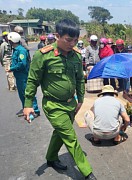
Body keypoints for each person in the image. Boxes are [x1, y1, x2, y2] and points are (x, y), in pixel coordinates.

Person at [22, 19, 96, 180]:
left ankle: (51, 158)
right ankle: (87, 173)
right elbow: (32, 80)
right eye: (68, 40)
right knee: (70, 137)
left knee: (60, 132)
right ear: (57, 36)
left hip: (71, 103)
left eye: (75, 40)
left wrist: (81, 99)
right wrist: (28, 104)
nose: (72, 44)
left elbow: (79, 79)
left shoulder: (76, 56)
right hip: (53, 105)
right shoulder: (43, 56)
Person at [6, 32, 40, 117]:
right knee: (22, 94)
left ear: (12, 41)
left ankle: (35, 110)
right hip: (19, 76)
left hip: (23, 76)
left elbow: (22, 64)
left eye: (9, 40)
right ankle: (26, 109)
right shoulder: (15, 50)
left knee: (28, 93)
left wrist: (12, 68)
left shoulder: (21, 50)